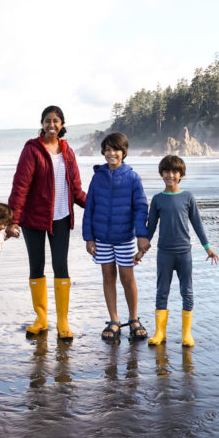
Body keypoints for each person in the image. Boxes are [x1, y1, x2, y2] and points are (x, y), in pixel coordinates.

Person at [8, 105, 87, 339]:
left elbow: (76, 188)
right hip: (34, 219)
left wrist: (96, 205)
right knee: (37, 265)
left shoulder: (67, 151)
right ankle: (41, 318)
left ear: (62, 125)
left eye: (56, 121)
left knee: (61, 266)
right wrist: (14, 219)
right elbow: (20, 186)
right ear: (42, 123)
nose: (51, 125)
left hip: (61, 217)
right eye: (47, 121)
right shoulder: (32, 150)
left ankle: (63, 321)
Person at [140, 155, 219, 347]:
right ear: (161, 174)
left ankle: (186, 334)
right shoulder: (158, 199)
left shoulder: (188, 197)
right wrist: (141, 251)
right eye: (166, 171)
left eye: (175, 172)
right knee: (162, 291)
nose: (170, 175)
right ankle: (160, 332)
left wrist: (207, 247)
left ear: (181, 174)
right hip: (164, 253)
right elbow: (150, 228)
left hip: (184, 253)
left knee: (187, 291)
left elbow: (197, 224)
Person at [82, 132, 151, 343]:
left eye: (116, 149)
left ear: (124, 152)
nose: (112, 153)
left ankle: (133, 319)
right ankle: (113, 319)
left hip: (124, 238)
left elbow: (141, 208)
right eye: (108, 149)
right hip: (102, 238)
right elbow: (90, 208)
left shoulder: (132, 177)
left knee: (127, 278)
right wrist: (89, 237)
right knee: (108, 277)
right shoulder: (98, 177)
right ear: (103, 152)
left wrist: (141, 236)